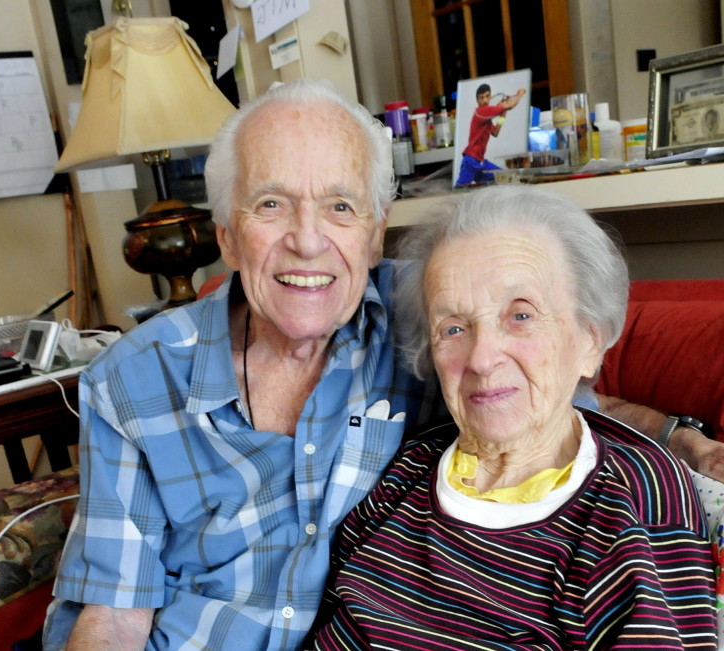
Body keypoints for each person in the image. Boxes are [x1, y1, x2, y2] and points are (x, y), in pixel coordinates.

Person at [43, 79, 721, 651]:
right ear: (226, 234)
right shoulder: (132, 381)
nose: (307, 240)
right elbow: (112, 614)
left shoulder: (429, 311)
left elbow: (540, 400)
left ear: (373, 233)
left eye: (339, 206)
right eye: (271, 204)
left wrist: (676, 436)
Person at [312, 186, 718, 650]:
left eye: (520, 316)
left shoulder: (635, 494)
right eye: (454, 328)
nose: (482, 358)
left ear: (589, 341)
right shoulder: (408, 468)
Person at [455, 83, 526, 186]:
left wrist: (503, 114)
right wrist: (521, 93)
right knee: (459, 191)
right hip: (471, 161)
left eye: (487, 96)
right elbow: (510, 105)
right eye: (481, 97)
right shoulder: (481, 111)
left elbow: (495, 132)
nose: (484, 100)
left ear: (490, 97)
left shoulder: (486, 119)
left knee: (507, 179)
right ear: (477, 100)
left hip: (481, 162)